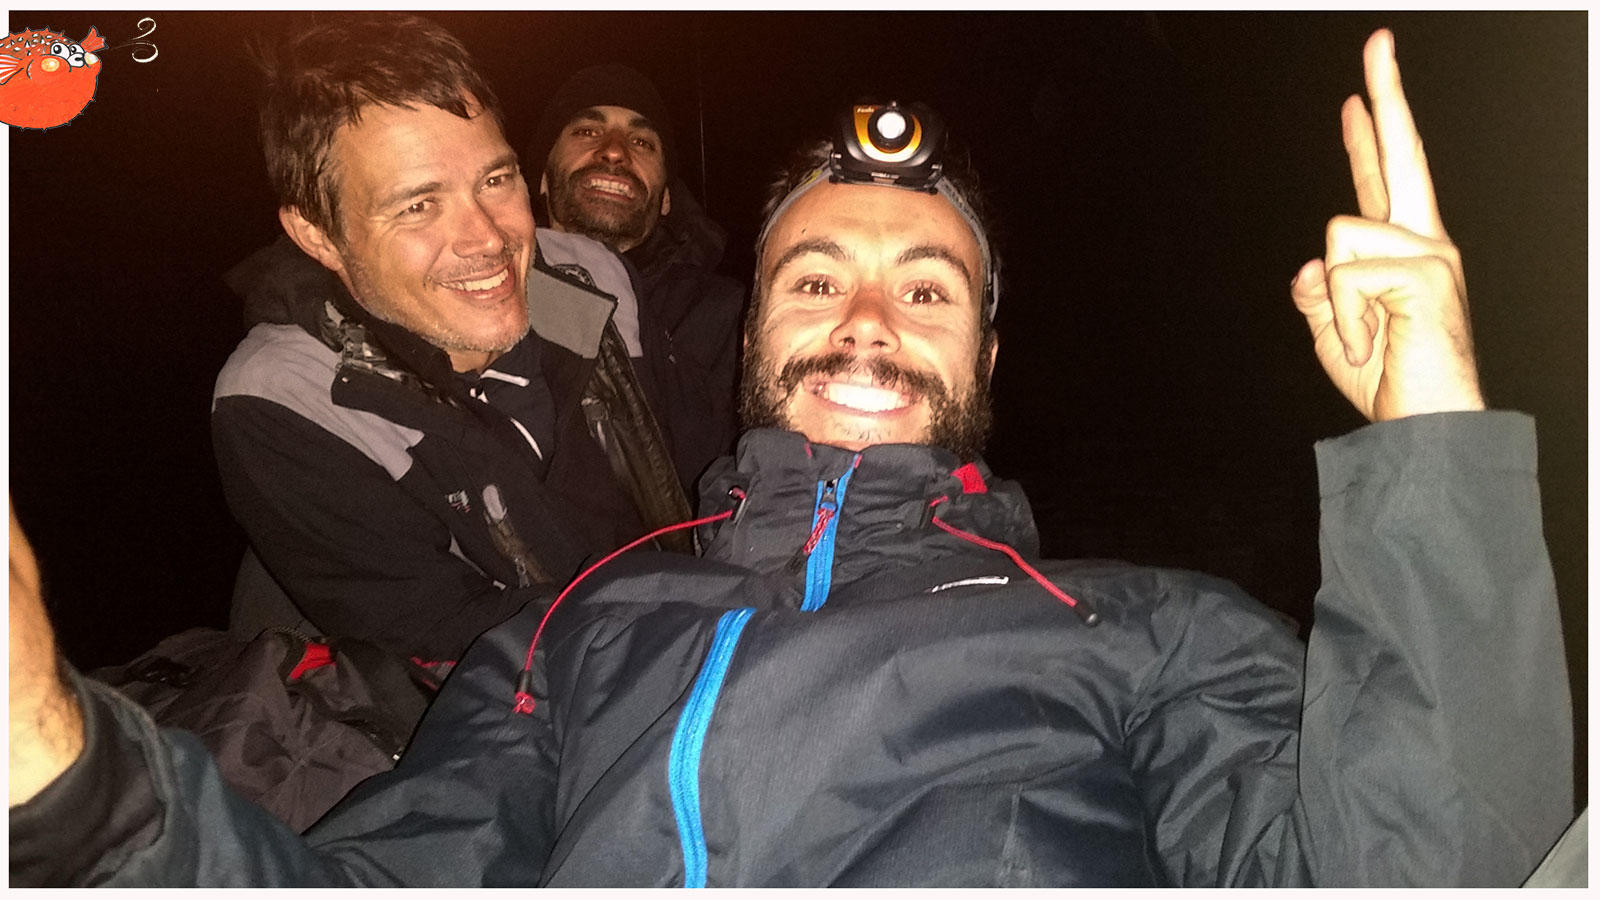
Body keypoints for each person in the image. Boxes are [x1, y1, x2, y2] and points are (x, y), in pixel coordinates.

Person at [8, 30, 1572, 887]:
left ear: (990, 361)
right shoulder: (564, 638)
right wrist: (63, 778)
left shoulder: (1150, 630)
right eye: (815, 281)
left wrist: (1430, 435)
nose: (867, 321)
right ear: (754, 336)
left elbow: (1429, 870)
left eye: (929, 289)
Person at [210, 14, 697, 662]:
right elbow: (444, 644)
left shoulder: (594, 279)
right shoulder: (287, 400)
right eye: (418, 205)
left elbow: (685, 476)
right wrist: (685, 636)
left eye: (495, 180)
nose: (488, 239)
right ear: (318, 235)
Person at [527, 63, 744, 493]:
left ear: (666, 200)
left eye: (642, 142)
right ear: (543, 179)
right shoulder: (484, 293)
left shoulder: (730, 317)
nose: (613, 152)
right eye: (587, 132)